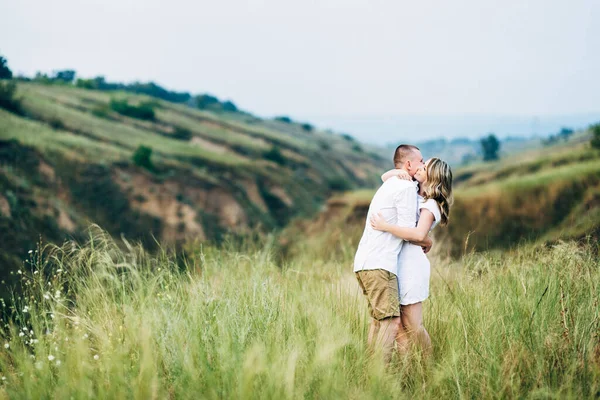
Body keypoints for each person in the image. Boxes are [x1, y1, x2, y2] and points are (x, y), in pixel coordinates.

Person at [353, 144, 431, 363]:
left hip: (364, 263)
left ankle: (369, 373)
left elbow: (386, 176)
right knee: (391, 324)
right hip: (380, 265)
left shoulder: (390, 183)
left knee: (378, 322)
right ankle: (378, 378)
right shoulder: (405, 188)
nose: (423, 165)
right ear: (408, 164)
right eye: (421, 161)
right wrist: (427, 239)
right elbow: (410, 233)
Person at [370, 157, 453, 356]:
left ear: (432, 177)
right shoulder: (412, 189)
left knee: (413, 325)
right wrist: (399, 173)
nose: (419, 168)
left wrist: (386, 227)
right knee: (399, 326)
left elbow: (417, 234)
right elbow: (384, 177)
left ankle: (429, 368)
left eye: (424, 168)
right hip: (398, 264)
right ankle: (408, 371)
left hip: (412, 267)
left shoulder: (431, 204)